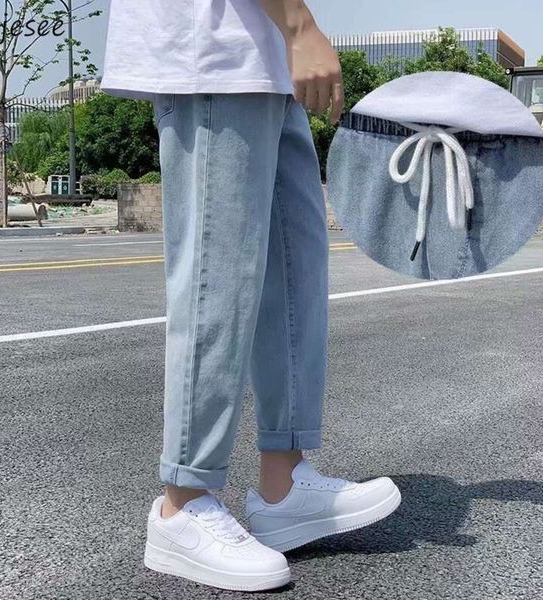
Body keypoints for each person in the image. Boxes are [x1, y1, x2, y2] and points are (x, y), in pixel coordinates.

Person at [101, 0, 401, 591]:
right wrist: (299, 24)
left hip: (265, 64)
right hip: (215, 52)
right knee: (218, 280)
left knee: (293, 270)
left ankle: (283, 484)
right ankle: (182, 504)